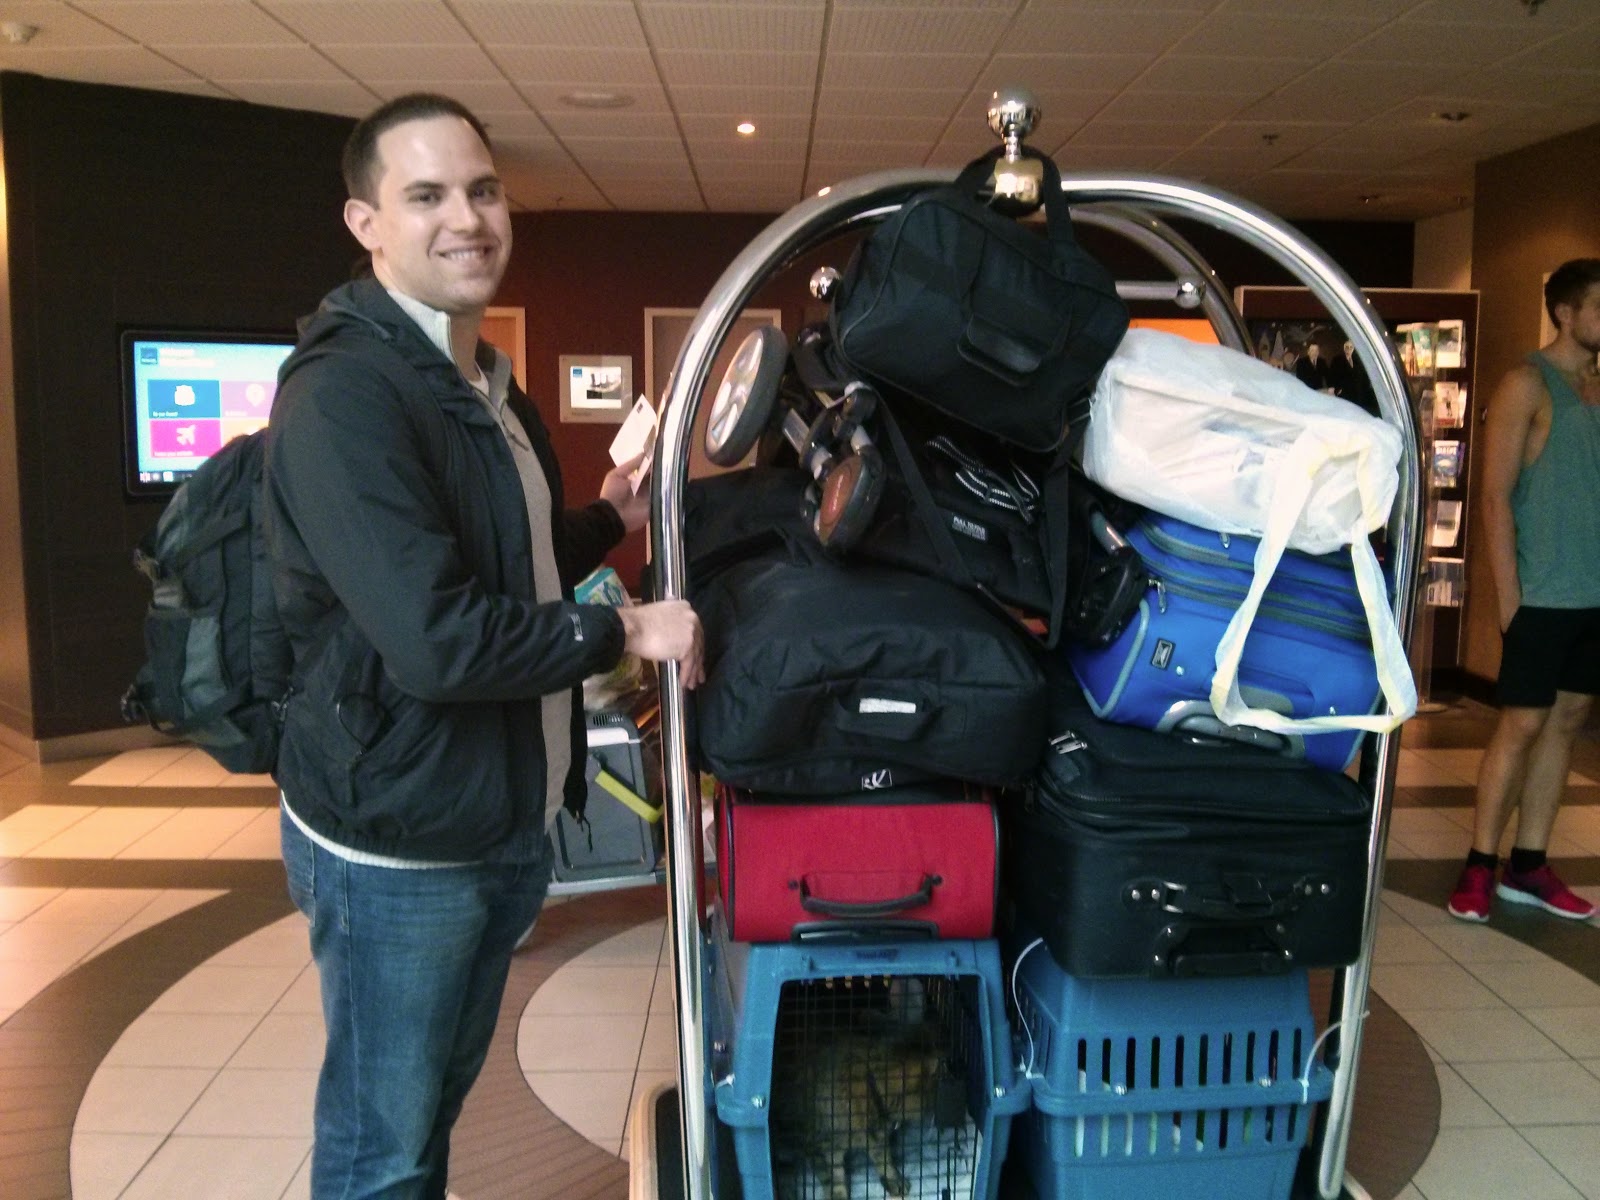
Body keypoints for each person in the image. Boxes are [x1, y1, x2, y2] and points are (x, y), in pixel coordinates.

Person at [263, 93, 705, 1197]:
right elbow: (437, 639)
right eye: (426, 196)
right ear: (366, 222)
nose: (466, 219)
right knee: (383, 1143)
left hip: (496, 815)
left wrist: (608, 516)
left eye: (483, 189)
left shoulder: (480, 382)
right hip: (399, 844)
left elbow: (507, 558)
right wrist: (625, 626)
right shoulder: (345, 395)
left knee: (429, 1110)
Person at [1447, 258, 1600, 924]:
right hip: (1539, 594)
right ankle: (1479, 865)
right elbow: (1493, 498)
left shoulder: (1597, 389)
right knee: (1523, 724)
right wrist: (1509, 604)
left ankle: (1528, 864)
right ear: (1566, 312)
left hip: (1593, 594)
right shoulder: (1526, 384)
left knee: (1566, 721)